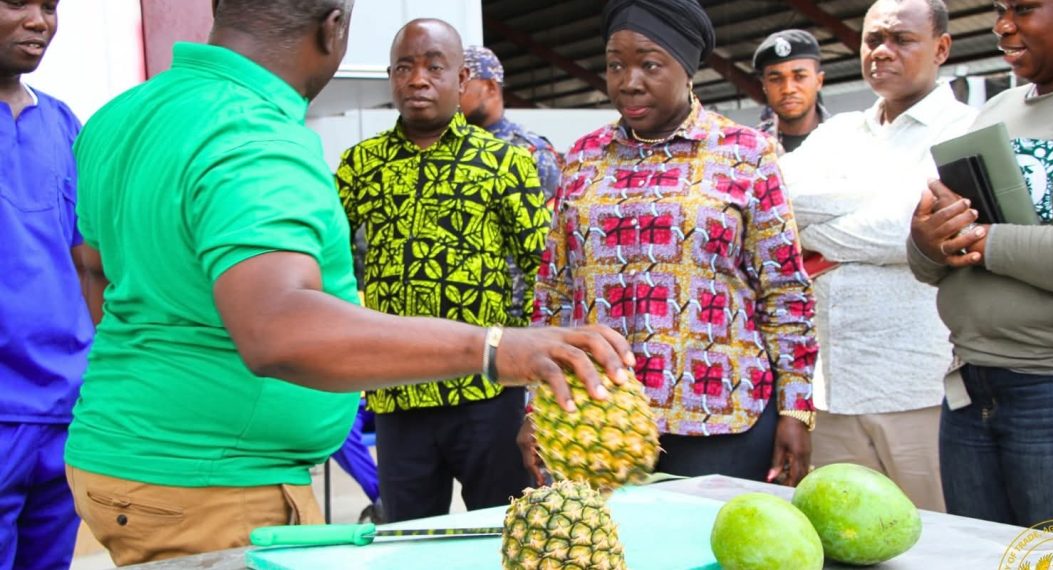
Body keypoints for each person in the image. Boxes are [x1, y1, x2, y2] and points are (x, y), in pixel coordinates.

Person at [64, 2, 633, 564]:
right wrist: (492, 346)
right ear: (334, 27)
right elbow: (278, 328)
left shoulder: (122, 115)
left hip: (123, 453)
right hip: (212, 482)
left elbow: (94, 266)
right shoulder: (255, 134)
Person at [522, 0, 818, 487]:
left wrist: (796, 410)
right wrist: (536, 405)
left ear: (687, 67)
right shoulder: (583, 157)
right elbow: (553, 291)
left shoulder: (745, 154)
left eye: (649, 64)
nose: (629, 81)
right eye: (616, 64)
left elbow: (785, 292)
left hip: (721, 416)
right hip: (597, 419)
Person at [910, 0, 1053, 543]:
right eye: (1000, 8)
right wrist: (928, 240)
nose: (1004, 25)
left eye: (1026, 8)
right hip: (972, 389)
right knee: (984, 558)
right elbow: (938, 260)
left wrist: (985, 241)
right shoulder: (996, 111)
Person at [335, 19, 552, 524]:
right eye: (405, 68)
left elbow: (542, 270)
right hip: (397, 394)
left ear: (461, 79)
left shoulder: (504, 163)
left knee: (501, 535)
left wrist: (534, 372)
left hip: (487, 393)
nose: (418, 79)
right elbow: (328, 262)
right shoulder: (359, 166)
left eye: (435, 66)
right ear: (391, 77)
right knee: (408, 543)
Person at [778, 0, 975, 512]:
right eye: (872, 40)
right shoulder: (839, 132)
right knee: (847, 541)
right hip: (835, 390)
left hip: (918, 389)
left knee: (935, 543)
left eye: (901, 39)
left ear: (941, 48)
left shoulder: (962, 128)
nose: (882, 51)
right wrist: (893, 205)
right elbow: (780, 201)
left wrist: (822, 239)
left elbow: (910, 226)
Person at [0, 2, 98, 569]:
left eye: (51, 6)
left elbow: (90, 263)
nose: (40, 21)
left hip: (62, 412)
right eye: (19, 2)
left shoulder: (63, 125)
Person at [460, 44, 565, 323]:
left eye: (463, 83)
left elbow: (552, 246)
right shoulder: (447, 155)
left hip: (515, 322)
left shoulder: (531, 154)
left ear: (491, 88)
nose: (453, 93)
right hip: (459, 319)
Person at [752, 29, 829, 153]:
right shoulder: (751, 148)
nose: (788, 89)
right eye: (775, 79)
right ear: (764, 86)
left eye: (799, 77)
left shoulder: (847, 139)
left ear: (819, 81)